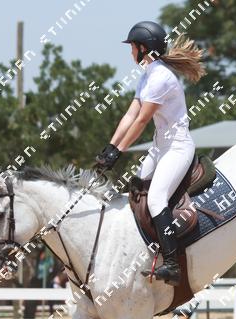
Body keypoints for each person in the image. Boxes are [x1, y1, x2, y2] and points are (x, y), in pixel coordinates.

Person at [93, 21, 206, 286]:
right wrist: (110, 147)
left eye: (132, 46)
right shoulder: (147, 75)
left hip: (177, 148)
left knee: (155, 200)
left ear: (143, 48)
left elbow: (142, 120)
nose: (131, 52)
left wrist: (120, 151)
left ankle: (173, 265)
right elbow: (130, 114)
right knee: (135, 189)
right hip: (160, 148)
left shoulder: (160, 78)